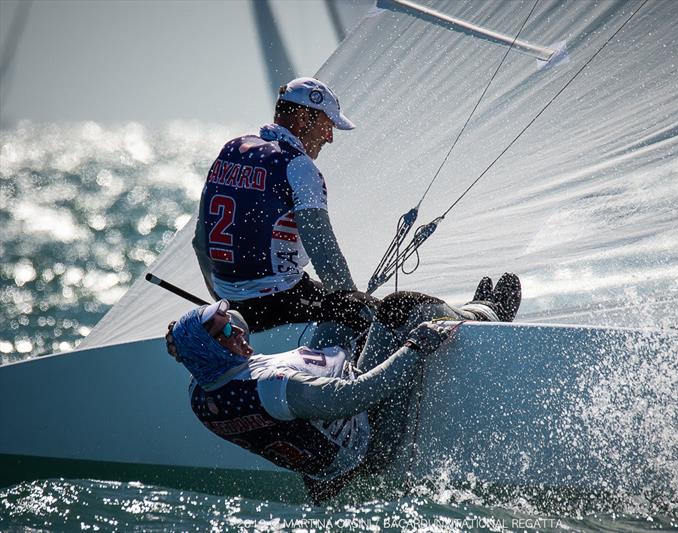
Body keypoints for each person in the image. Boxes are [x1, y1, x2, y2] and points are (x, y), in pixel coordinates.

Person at [165, 274, 522, 502]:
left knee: (340, 308)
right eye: (225, 332)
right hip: (371, 433)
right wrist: (415, 346)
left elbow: (233, 328)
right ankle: (487, 312)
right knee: (402, 307)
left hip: (330, 443)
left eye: (230, 323)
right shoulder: (274, 388)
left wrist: (185, 338)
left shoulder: (202, 392)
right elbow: (357, 396)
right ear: (208, 349)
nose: (239, 332)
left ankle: (385, 322)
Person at [192, 77, 364, 333]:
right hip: (278, 302)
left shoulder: (231, 151)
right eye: (327, 125)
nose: (329, 138)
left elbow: (200, 243)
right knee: (384, 314)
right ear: (304, 118)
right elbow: (324, 254)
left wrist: (223, 304)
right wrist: (355, 306)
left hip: (231, 304)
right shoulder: (298, 167)